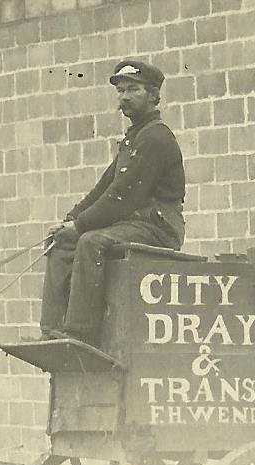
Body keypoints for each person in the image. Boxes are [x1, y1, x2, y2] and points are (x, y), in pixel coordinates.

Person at [38, 59, 186, 346]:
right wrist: (69, 220)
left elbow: (122, 197)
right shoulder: (133, 140)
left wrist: (80, 226)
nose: (124, 97)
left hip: (158, 228)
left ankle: (80, 333)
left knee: (90, 241)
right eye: (121, 91)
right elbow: (104, 188)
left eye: (133, 89)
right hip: (134, 224)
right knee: (63, 243)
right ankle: (52, 330)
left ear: (154, 95)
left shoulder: (156, 138)